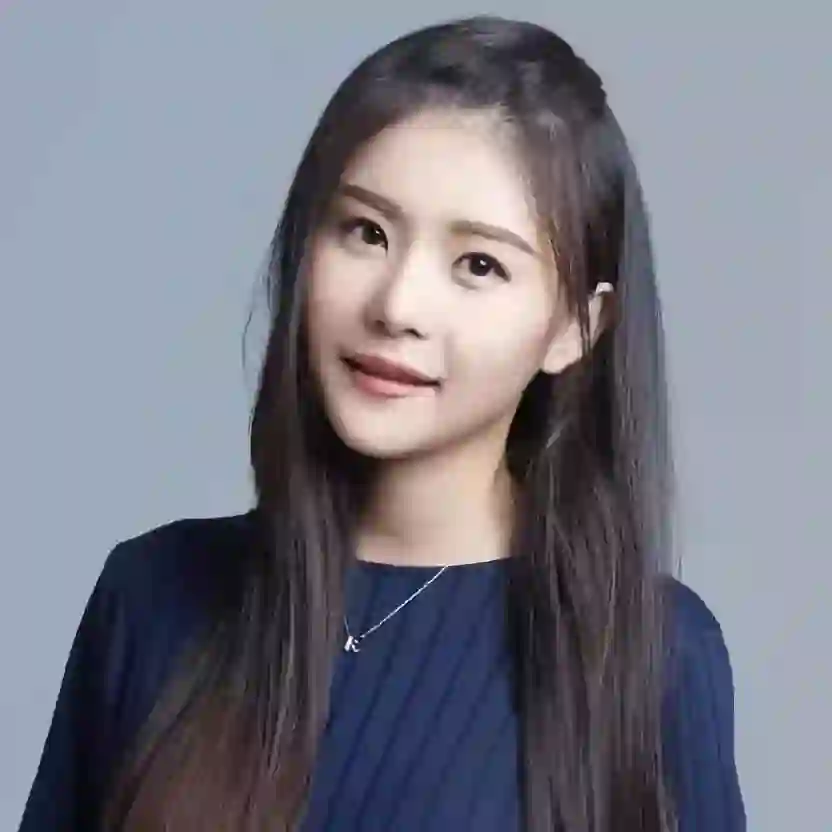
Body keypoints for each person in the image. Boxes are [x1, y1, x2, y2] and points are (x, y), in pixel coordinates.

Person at [18, 15, 745, 832]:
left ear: (576, 326)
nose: (398, 305)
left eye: (479, 264)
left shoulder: (654, 658)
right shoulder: (152, 596)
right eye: (366, 232)